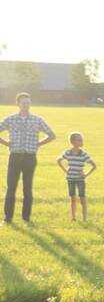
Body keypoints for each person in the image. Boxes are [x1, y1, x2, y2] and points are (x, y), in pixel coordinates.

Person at [0, 93, 56, 224]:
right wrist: (6, 143)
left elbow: (52, 135)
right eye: (24, 103)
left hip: (30, 158)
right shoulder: (10, 119)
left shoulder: (37, 120)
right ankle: (7, 218)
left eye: (28, 103)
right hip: (14, 157)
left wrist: (38, 144)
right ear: (18, 104)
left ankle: (26, 218)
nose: (26, 105)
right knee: (11, 188)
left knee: (27, 188)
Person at [56, 132, 97, 222]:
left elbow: (94, 166)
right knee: (73, 198)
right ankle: (73, 217)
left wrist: (85, 174)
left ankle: (84, 218)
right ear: (73, 142)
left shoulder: (83, 154)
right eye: (79, 140)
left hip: (80, 180)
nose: (81, 141)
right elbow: (58, 160)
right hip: (70, 179)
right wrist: (65, 170)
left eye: (81, 140)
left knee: (82, 198)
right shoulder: (68, 152)